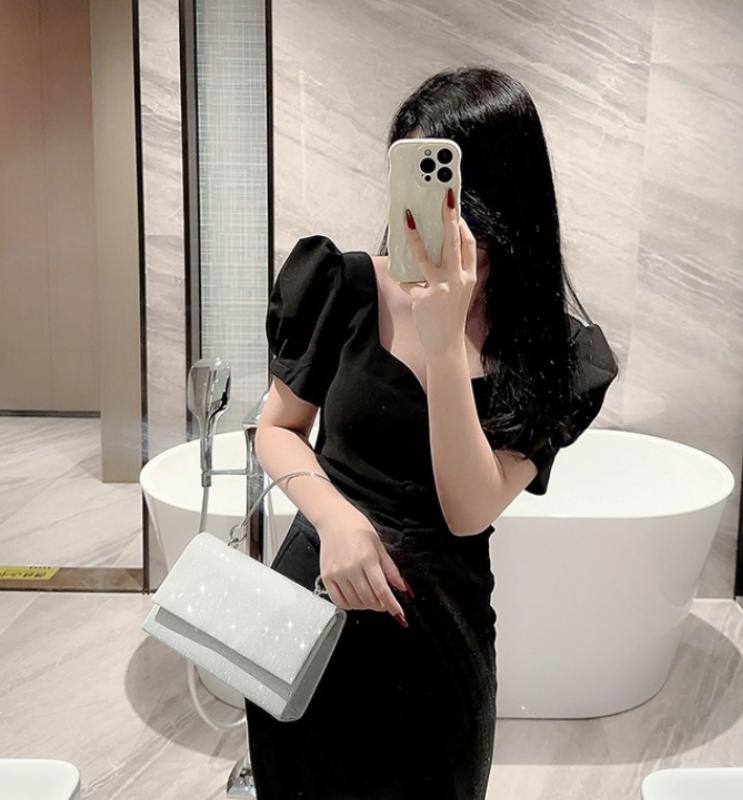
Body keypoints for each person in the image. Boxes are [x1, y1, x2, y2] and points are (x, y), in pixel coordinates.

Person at [244, 65, 619, 800]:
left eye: (447, 184)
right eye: (411, 176)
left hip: (437, 642)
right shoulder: (344, 286)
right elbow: (276, 430)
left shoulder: (557, 354)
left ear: (499, 195)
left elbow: (467, 508)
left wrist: (445, 340)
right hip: (311, 607)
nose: (429, 210)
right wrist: (336, 520)